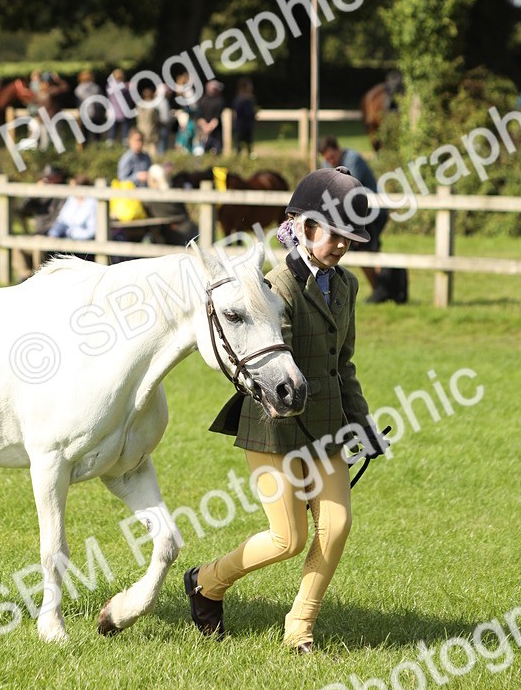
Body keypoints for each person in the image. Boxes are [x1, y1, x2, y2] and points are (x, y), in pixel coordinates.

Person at [184, 166, 389, 652]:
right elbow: (279, 376)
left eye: (349, 238)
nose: (342, 245)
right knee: (288, 538)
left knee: (336, 525)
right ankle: (206, 582)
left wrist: (361, 423)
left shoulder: (347, 287)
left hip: (327, 426)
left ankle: (299, 627)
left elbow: (343, 364)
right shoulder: (276, 287)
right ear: (301, 227)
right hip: (273, 429)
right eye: (334, 234)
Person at [319, 135, 406, 304]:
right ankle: (381, 291)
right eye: (326, 158)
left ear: (338, 149)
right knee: (363, 251)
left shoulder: (353, 159)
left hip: (372, 212)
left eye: (331, 156)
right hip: (353, 214)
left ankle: (381, 291)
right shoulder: (327, 164)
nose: (329, 161)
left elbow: (349, 189)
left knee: (366, 250)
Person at [145, 163, 198, 246]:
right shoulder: (173, 192)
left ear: (154, 180)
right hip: (190, 231)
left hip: (177, 236)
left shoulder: (151, 198)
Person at [48, 174, 97, 260]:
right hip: (66, 241)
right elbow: (62, 220)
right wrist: (54, 234)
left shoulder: (92, 204)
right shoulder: (72, 200)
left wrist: (72, 235)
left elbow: (91, 232)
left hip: (83, 245)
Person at [197, 79, 225, 154]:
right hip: (204, 131)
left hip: (215, 130)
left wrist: (209, 128)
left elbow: (216, 118)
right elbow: (199, 116)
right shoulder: (202, 100)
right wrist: (205, 127)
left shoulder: (219, 100)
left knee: (217, 151)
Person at [106, 68, 133, 145]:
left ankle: (112, 144)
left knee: (114, 130)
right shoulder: (123, 86)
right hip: (120, 111)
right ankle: (120, 143)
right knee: (120, 130)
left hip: (115, 112)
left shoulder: (109, 86)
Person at [233, 77, 256, 155]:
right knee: (239, 142)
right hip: (241, 123)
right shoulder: (241, 99)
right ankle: (238, 155)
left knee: (248, 142)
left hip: (247, 123)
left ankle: (249, 154)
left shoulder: (249, 98)